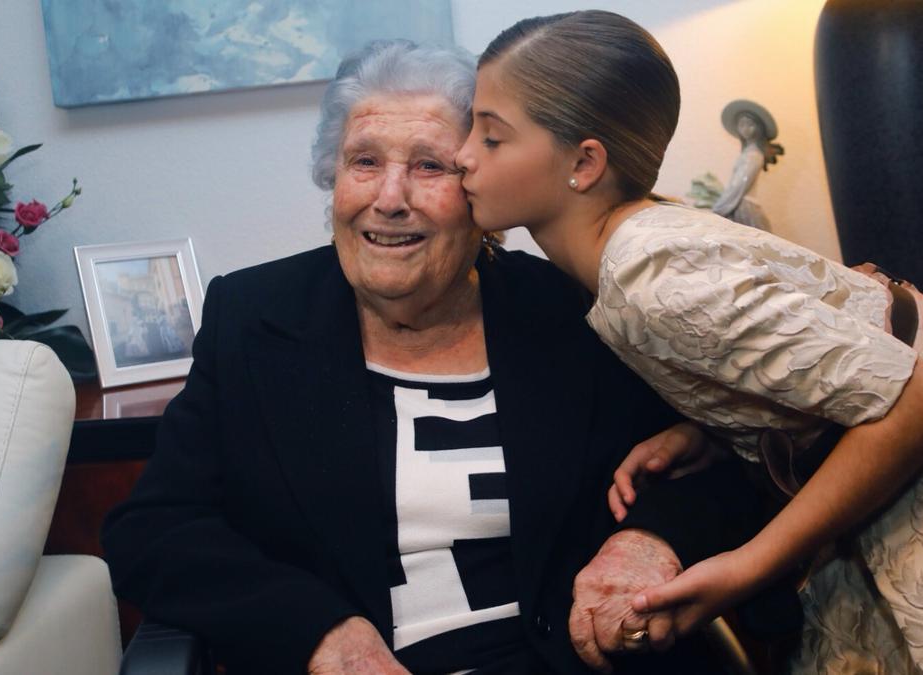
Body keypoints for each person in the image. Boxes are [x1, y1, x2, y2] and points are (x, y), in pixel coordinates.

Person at [102, 40, 791, 675]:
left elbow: (711, 469)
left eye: (429, 165)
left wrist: (647, 540)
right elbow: (155, 528)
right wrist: (320, 629)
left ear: (479, 188)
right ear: (333, 178)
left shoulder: (576, 308)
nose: (389, 198)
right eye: (364, 161)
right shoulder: (254, 319)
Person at [456, 10, 923, 673]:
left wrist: (743, 567)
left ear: (583, 162)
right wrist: (718, 426)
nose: (462, 153)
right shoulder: (638, 242)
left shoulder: (642, 275)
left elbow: (922, 399)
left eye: (491, 138)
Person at [710, 99, 784, 231]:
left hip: (743, 206)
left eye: (750, 124)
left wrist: (719, 207)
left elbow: (739, 185)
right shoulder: (748, 153)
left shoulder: (754, 155)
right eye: (741, 125)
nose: (745, 129)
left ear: (759, 127)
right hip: (737, 203)